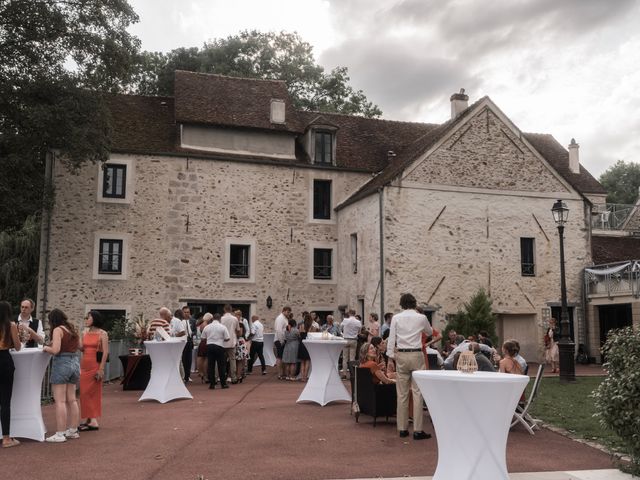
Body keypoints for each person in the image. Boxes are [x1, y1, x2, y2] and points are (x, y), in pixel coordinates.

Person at [386, 293, 432, 440]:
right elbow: (429, 332)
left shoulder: (396, 318)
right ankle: (418, 430)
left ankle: (402, 428)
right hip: (416, 354)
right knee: (417, 393)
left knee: (402, 393)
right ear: (414, 303)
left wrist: (390, 357)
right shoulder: (421, 318)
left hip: (401, 355)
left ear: (401, 304)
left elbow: (391, 339)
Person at [43, 308, 81, 442]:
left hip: (62, 363)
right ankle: (73, 430)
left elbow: (55, 350)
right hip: (75, 363)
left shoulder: (57, 330)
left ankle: (60, 433)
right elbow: (80, 346)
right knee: (72, 399)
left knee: (60, 401)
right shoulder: (72, 329)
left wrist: (45, 348)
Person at [78, 310, 108, 432]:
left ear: (94, 319)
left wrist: (101, 368)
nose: (86, 319)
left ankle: (94, 420)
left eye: (88, 317)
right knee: (84, 393)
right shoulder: (84, 332)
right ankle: (88, 419)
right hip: (84, 364)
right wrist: (77, 338)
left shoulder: (103, 333)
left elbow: (105, 352)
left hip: (95, 365)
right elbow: (81, 348)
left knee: (93, 393)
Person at [0, 300, 21, 448]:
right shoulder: (11, 325)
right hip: (5, 361)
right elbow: (18, 347)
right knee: (5, 401)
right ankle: (6, 438)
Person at [201, 313, 230, 389]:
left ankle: (212, 384)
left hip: (210, 346)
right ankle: (223, 384)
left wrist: (210, 339)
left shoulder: (207, 327)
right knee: (221, 366)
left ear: (212, 319)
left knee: (211, 366)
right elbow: (227, 338)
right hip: (219, 346)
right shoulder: (223, 327)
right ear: (220, 319)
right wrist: (221, 339)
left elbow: (203, 338)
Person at [220, 304, 240, 383]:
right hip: (232, 341)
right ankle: (233, 377)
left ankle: (220, 377)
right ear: (231, 310)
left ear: (224, 309)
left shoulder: (221, 318)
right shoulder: (234, 319)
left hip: (223, 342)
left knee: (221, 360)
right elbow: (238, 330)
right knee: (232, 360)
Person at [341, 309, 362, 378]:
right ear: (355, 313)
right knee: (352, 358)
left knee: (345, 357)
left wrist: (344, 333)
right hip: (353, 340)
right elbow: (359, 331)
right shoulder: (358, 322)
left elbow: (341, 328)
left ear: (349, 313)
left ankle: (344, 374)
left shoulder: (345, 320)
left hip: (346, 339)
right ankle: (352, 374)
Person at [297, 313, 315, 382]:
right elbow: (313, 337)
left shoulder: (301, 326)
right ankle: (305, 377)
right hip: (308, 345)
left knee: (302, 362)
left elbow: (299, 335)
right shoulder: (312, 327)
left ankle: (302, 377)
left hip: (302, 344)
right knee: (307, 361)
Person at [274, 306, 290, 380]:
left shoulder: (284, 318)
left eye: (289, 312)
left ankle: (282, 373)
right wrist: (281, 341)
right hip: (279, 340)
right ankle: (279, 374)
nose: (288, 313)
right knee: (280, 357)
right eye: (287, 312)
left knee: (282, 357)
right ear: (283, 311)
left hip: (283, 339)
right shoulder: (280, 318)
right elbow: (279, 330)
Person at [196, 314, 212, 382]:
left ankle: (201, 373)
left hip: (202, 342)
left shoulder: (201, 324)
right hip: (206, 341)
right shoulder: (206, 325)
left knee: (200, 358)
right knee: (206, 359)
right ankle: (205, 375)